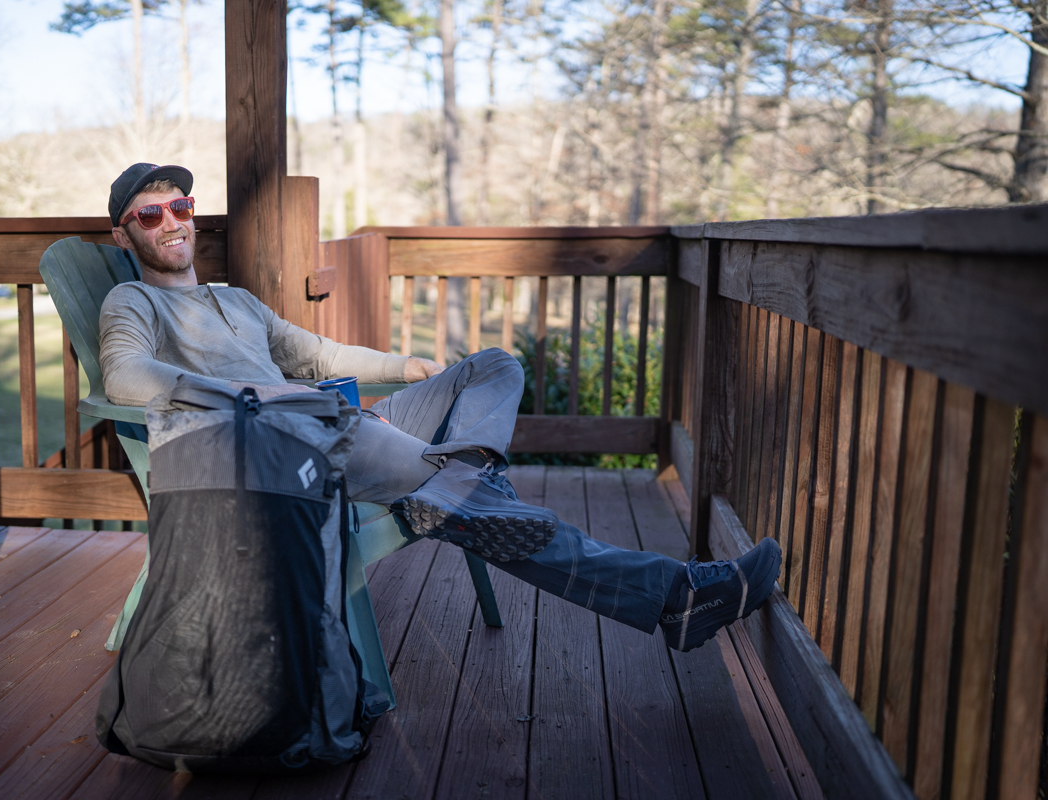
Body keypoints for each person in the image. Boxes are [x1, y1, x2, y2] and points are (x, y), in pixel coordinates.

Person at [99, 163, 781, 652]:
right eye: (150, 214)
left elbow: (319, 354)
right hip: (277, 452)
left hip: (331, 421)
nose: (172, 221)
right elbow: (126, 378)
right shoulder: (131, 302)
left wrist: (404, 368)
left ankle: (459, 477)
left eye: (181, 206)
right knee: (486, 506)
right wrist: (272, 396)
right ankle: (675, 596)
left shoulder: (235, 299)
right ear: (124, 237)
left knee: (492, 366)